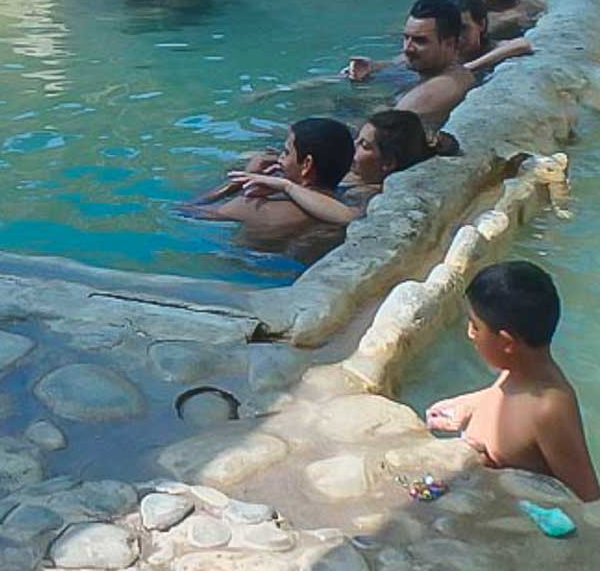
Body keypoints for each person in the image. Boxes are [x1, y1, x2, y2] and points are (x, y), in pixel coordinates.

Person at [426, 262, 599, 502]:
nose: (469, 333)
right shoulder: (516, 371)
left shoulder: (549, 409)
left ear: (506, 342)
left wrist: (492, 474)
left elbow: (589, 498)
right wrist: (469, 405)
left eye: (476, 327)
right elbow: (504, 395)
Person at [225, 110, 457, 225]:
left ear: (387, 163)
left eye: (364, 145)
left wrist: (285, 185)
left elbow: (349, 217)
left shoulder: (374, 195)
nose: (353, 147)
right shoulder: (355, 177)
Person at [188, 118, 355, 251]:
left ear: (307, 164)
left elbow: (186, 211)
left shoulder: (255, 205)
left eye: (286, 152)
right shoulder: (346, 206)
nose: (280, 158)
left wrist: (238, 182)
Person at [347, 0, 473, 129]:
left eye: (420, 41)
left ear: (450, 43)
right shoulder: (442, 70)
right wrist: (373, 68)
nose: (407, 48)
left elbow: (380, 133)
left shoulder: (433, 91)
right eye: (406, 38)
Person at [447, 0, 532, 74]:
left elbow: (522, 45)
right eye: (449, 28)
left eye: (463, 28)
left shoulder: (491, 48)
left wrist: (469, 67)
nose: (456, 36)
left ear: (481, 24)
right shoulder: (445, 55)